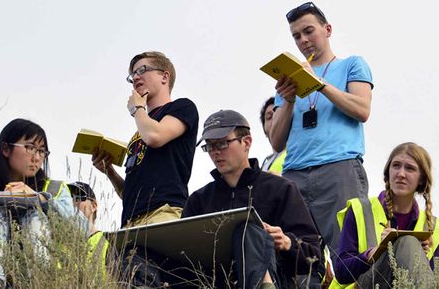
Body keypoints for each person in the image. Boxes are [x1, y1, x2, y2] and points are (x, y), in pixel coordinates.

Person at [269, 2, 374, 266]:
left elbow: (362, 109)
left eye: (308, 31)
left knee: (350, 256)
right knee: (296, 260)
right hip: (295, 174)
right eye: (296, 36)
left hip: (339, 170)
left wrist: (319, 85)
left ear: (327, 30)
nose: (303, 40)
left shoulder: (352, 64)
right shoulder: (290, 77)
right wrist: (289, 99)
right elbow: (276, 141)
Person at [182, 110, 321, 289]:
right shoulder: (198, 200)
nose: (215, 152)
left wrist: (287, 243)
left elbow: (314, 257)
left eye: (222, 143)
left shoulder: (281, 189)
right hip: (213, 282)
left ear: (246, 142)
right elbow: (183, 256)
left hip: (276, 280)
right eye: (209, 146)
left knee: (250, 231)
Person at [92, 51, 199, 228]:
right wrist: (109, 171)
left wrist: (137, 108)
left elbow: (155, 137)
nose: (136, 77)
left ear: (165, 76)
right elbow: (130, 193)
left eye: (142, 70)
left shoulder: (182, 107)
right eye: (132, 74)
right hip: (130, 222)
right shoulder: (141, 129)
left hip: (162, 213)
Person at [0, 118, 89, 287]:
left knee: (34, 213)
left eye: (42, 151)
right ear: (6, 149)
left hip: (43, 278)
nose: (37, 157)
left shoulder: (54, 188)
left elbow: (82, 230)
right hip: (1, 273)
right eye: (30, 148)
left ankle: (40, 278)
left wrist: (40, 199)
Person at [333, 142, 439, 288]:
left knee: (409, 246)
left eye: (409, 168)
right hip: (364, 285)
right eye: (396, 165)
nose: (401, 174)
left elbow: (431, 281)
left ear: (421, 179)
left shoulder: (434, 227)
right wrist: (375, 252)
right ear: (388, 172)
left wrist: (419, 256)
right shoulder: (360, 209)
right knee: (407, 242)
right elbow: (341, 273)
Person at [68, 181, 109, 278]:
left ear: (94, 206)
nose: (72, 202)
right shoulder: (57, 245)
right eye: (67, 198)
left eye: (78, 198)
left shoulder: (109, 241)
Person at [260, 97, 286, 174]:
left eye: (279, 114)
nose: (275, 119)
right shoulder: (265, 164)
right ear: (264, 129)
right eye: (269, 117)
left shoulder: (300, 155)